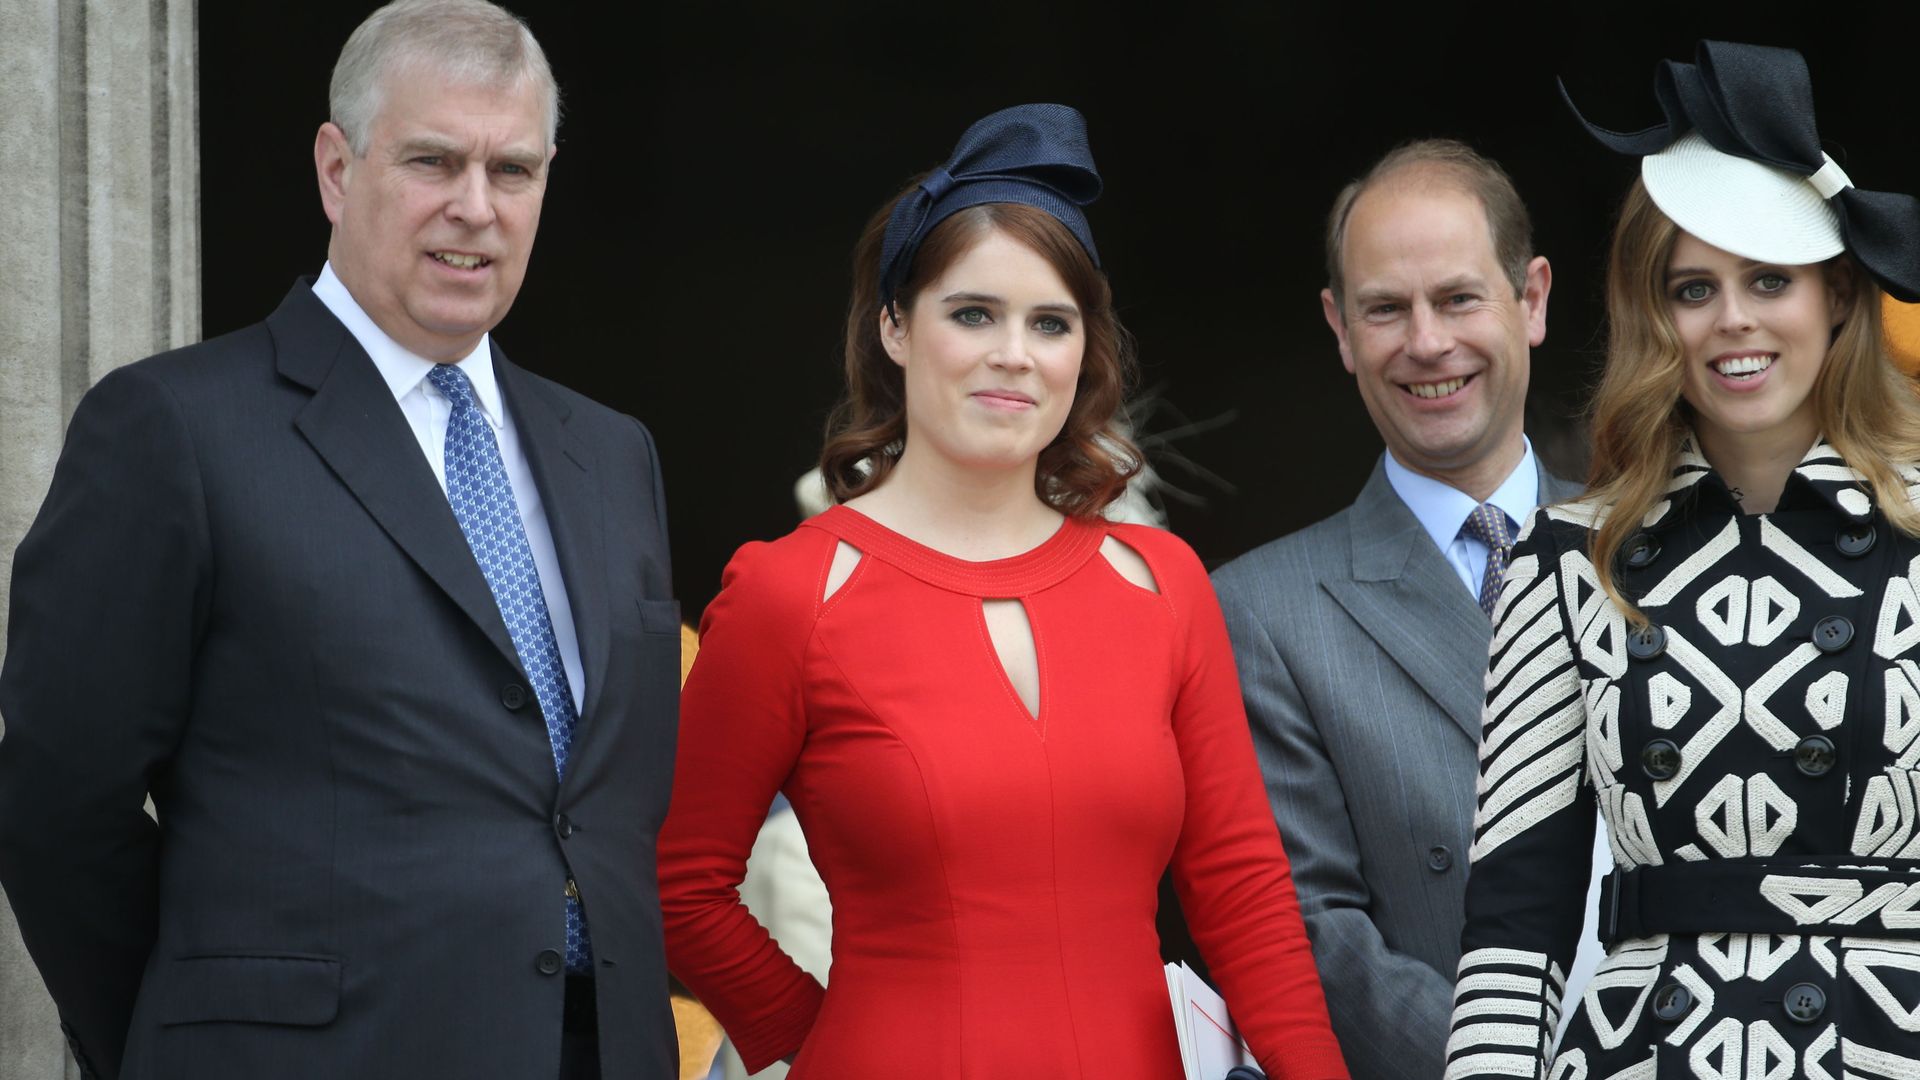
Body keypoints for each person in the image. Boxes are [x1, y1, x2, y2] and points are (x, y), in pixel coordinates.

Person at [0, 2, 679, 1077]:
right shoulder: (176, 429)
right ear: (335, 169)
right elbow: (57, 808)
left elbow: (607, 810)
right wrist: (193, 1039)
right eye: (432, 161)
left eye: (511, 170)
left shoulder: (612, 452)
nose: (475, 207)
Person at [656, 104, 1347, 1080]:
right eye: (973, 313)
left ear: (1083, 350)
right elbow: (680, 882)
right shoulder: (793, 592)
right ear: (895, 326)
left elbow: (1244, 893)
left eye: (1050, 323)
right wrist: (826, 1041)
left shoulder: (1163, 584)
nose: (1014, 353)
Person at [1445, 41, 1920, 1077]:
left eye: (1770, 280)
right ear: (1651, 313)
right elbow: (1514, 924)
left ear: (1839, 295)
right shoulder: (1566, 557)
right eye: (1694, 288)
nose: (1734, 319)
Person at [1210, 139, 1606, 1080]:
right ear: (1341, 329)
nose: (1426, 343)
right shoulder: (1261, 612)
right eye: (1386, 308)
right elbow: (1313, 933)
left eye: (1459, 298)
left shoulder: (1659, 550)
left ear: (1532, 299)